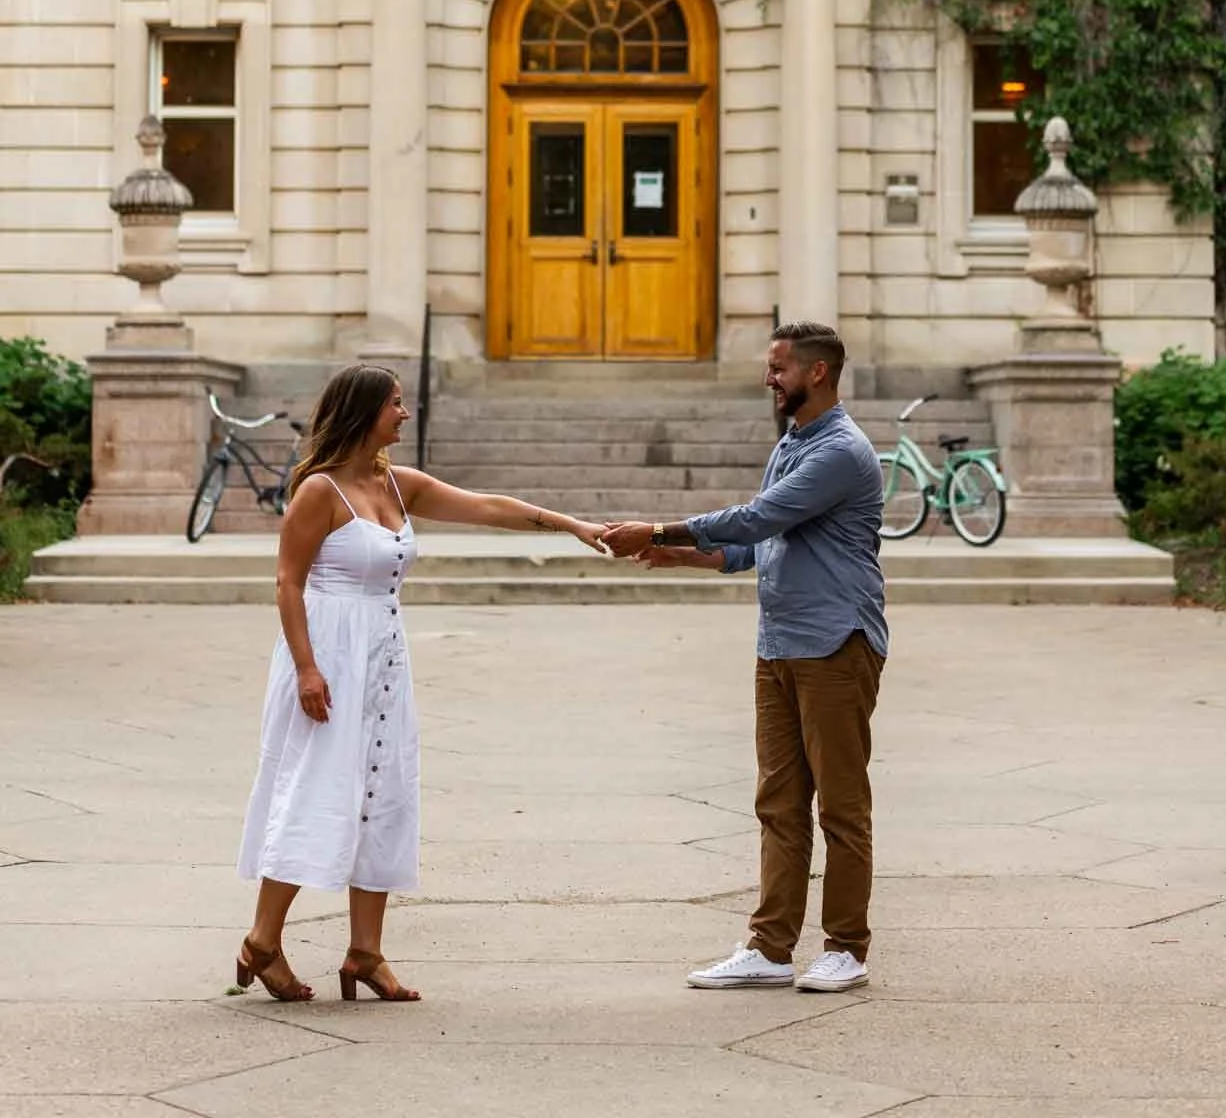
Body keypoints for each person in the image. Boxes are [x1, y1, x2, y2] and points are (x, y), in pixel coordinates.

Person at [236, 362, 606, 1003]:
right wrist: (305, 668)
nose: (405, 414)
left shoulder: (396, 486)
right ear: (364, 412)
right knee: (316, 793)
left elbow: (488, 507)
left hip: (383, 658)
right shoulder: (320, 492)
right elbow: (287, 582)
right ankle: (262, 943)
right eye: (395, 405)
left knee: (384, 792)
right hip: (327, 657)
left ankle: (365, 953)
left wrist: (572, 525)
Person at [602, 320, 887, 993]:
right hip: (780, 644)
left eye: (779, 367)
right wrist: (679, 555)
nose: (769, 377)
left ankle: (846, 946)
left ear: (817, 373)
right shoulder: (791, 443)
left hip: (836, 643)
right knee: (779, 802)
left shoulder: (842, 451)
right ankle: (769, 947)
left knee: (841, 806)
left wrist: (664, 525)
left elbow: (759, 517)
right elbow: (761, 546)